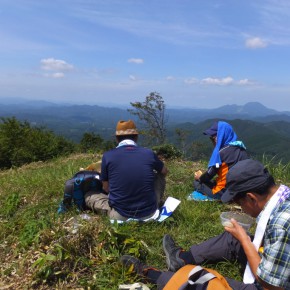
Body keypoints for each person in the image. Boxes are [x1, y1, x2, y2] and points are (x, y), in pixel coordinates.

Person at [121, 159, 290, 289]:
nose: (242, 210)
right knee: (232, 239)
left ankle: (153, 275)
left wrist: (245, 240)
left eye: (239, 203)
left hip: (273, 285)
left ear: (251, 198)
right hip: (279, 268)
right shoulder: (283, 198)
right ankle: (181, 259)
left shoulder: (280, 223)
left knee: (200, 280)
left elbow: (270, 285)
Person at [85, 120, 168, 221]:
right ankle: (154, 201)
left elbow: (106, 189)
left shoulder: (108, 156)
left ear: (117, 139)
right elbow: (164, 171)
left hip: (120, 215)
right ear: (136, 137)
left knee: (89, 196)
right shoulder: (148, 153)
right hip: (150, 213)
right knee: (159, 175)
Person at [193, 120, 248, 200]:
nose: (212, 141)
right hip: (242, 190)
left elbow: (208, 175)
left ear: (222, 136)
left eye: (213, 138)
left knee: (197, 183)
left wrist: (199, 177)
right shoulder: (241, 148)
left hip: (226, 192)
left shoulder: (221, 153)